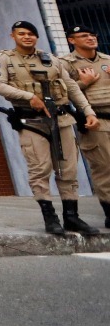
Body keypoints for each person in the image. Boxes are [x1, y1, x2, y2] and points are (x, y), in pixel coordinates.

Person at [0, 20, 100, 235]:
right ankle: (50, 218)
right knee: (40, 169)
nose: (27, 37)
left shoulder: (50, 59)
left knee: (68, 169)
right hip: (32, 122)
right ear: (13, 36)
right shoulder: (3, 58)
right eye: (22, 33)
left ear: (36, 37)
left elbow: (70, 87)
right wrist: (29, 96)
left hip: (61, 120)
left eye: (31, 33)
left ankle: (72, 217)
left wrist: (88, 111)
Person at [65, 24, 110, 229]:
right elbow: (60, 94)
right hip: (95, 121)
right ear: (72, 40)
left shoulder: (107, 60)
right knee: (105, 168)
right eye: (84, 36)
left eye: (92, 34)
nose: (90, 38)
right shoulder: (65, 64)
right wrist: (84, 83)